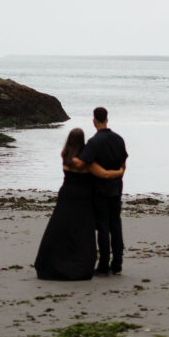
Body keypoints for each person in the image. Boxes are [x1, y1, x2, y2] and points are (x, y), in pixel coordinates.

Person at [34, 127, 125, 280]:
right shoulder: (85, 162)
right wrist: (120, 172)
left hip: (66, 195)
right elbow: (104, 174)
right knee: (82, 232)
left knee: (60, 229)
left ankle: (51, 261)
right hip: (83, 198)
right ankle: (80, 263)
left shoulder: (65, 156)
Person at [77, 106, 128, 275]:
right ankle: (118, 263)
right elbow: (123, 164)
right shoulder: (119, 139)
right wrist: (118, 175)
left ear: (94, 121)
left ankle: (104, 263)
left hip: (99, 189)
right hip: (116, 187)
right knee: (116, 225)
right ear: (107, 119)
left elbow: (84, 163)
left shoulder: (94, 142)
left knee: (103, 227)